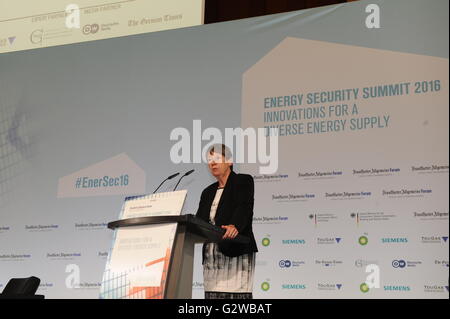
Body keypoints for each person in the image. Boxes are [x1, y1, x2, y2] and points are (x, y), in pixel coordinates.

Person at [195, 144, 258, 299]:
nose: (212, 163)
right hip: (212, 256)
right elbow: (200, 221)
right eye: (209, 160)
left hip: (235, 251)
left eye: (217, 158)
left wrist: (234, 225)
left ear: (229, 161)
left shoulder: (242, 181)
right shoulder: (207, 191)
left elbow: (244, 207)